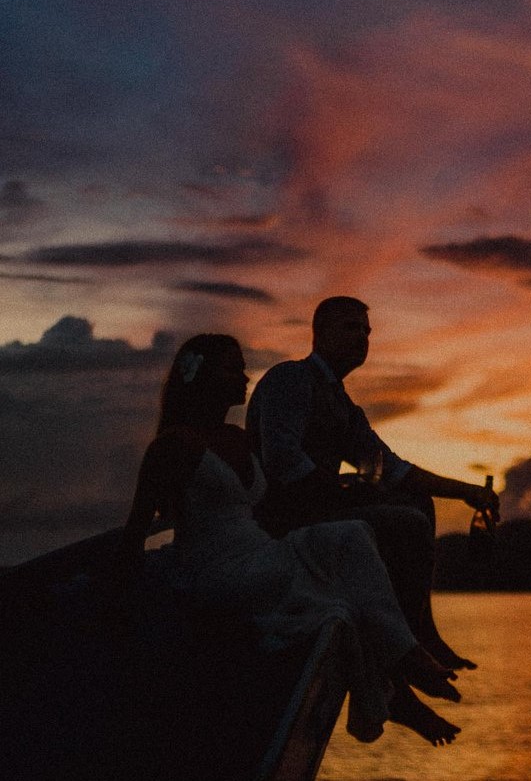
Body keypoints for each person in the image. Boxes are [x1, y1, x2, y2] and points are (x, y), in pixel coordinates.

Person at [118, 334, 463, 745]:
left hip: (259, 551)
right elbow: (135, 531)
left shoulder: (238, 439)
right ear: (202, 376)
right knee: (341, 595)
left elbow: (270, 507)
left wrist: (346, 490)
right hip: (216, 569)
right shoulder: (172, 447)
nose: (245, 377)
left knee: (352, 534)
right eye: (233, 368)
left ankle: (401, 667)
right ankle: (402, 673)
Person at [247, 296, 497, 671]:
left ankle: (421, 629)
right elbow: (283, 459)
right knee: (408, 521)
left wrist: (468, 492)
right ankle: (407, 641)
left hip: (319, 509)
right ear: (320, 333)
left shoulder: (345, 406)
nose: (362, 337)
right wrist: (343, 490)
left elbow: (393, 469)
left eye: (366, 331)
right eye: (351, 327)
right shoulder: (291, 378)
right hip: (282, 517)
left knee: (418, 502)